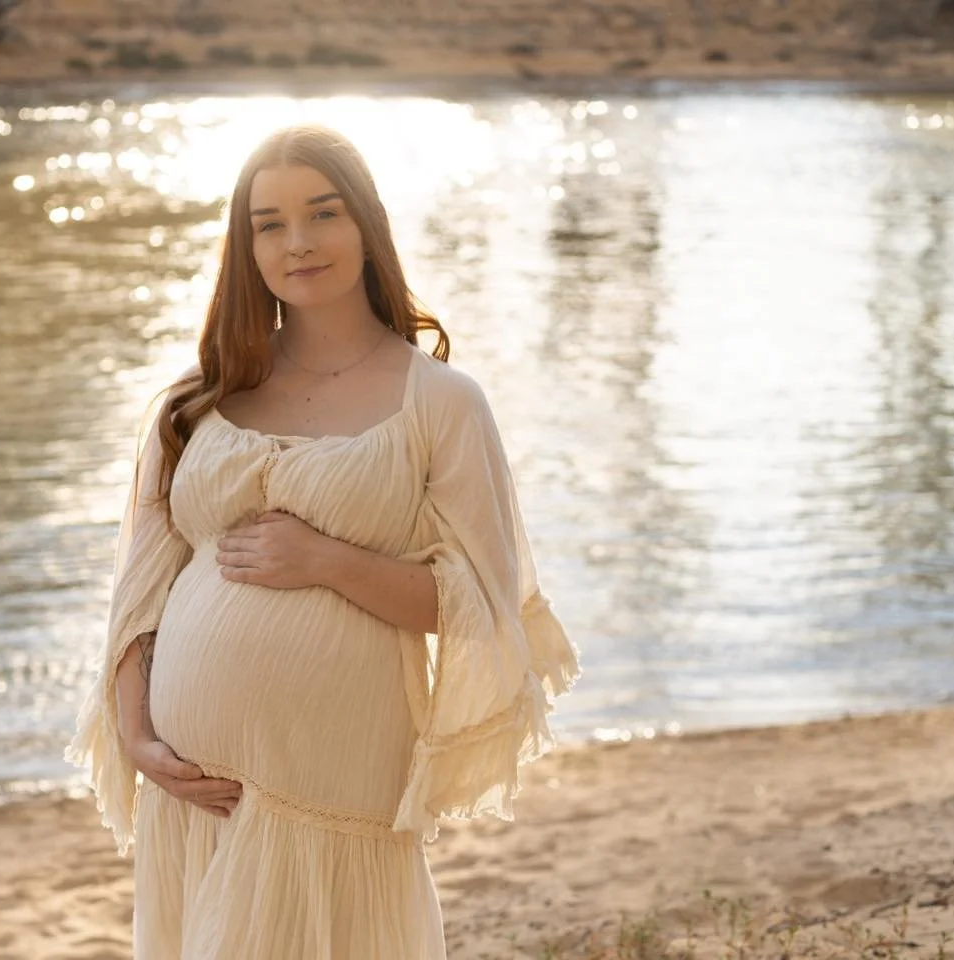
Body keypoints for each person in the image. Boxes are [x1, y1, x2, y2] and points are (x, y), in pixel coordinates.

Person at [66, 124, 580, 959]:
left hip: (335, 792)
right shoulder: (194, 401)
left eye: (322, 213)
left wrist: (326, 562)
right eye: (269, 224)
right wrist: (137, 739)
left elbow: (482, 605)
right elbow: (139, 598)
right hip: (195, 799)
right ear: (247, 247)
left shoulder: (440, 402)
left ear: (367, 225)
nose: (297, 242)